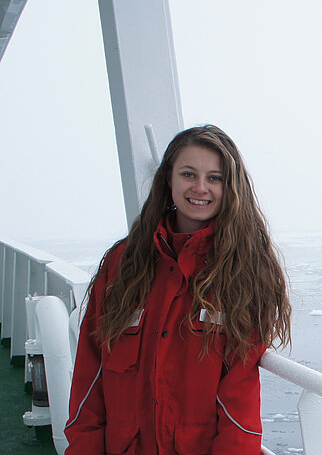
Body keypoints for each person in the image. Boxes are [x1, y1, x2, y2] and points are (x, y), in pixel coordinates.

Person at [64, 125, 291, 454]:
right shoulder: (122, 263)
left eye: (214, 178)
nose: (200, 188)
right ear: (168, 178)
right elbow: (90, 375)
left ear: (230, 187)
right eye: (189, 174)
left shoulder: (242, 273)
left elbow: (238, 401)